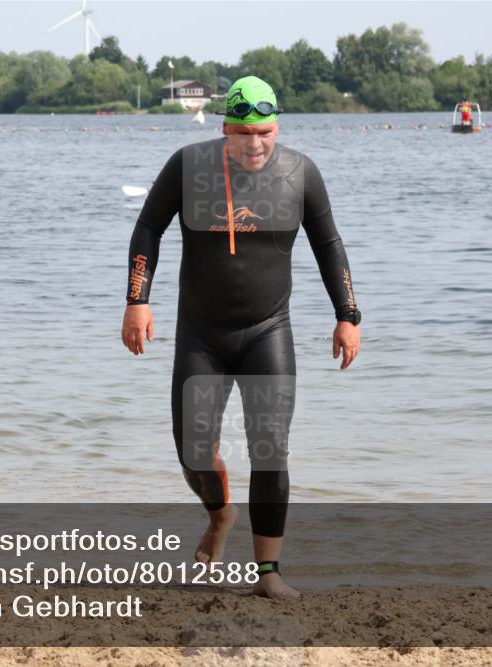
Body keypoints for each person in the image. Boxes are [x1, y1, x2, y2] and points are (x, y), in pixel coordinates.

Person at [121, 76, 361, 599]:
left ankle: (268, 574)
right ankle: (220, 515)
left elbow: (329, 244)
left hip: (268, 329)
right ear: (226, 128)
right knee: (192, 450)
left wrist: (348, 314)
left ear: (278, 128)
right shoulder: (189, 166)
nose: (256, 144)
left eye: (266, 132)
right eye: (245, 133)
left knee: (270, 448)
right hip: (200, 333)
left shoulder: (301, 173)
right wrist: (137, 300)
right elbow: (147, 229)